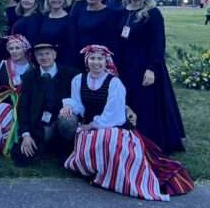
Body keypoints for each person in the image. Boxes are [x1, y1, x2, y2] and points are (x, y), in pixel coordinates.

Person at [62, 45, 193, 201]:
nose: (96, 62)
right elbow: (78, 103)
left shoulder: (114, 83)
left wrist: (91, 126)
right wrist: (69, 107)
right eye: (92, 58)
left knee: (108, 139)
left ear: (106, 61)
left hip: (114, 126)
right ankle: (97, 170)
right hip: (88, 126)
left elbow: (114, 114)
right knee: (91, 138)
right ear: (86, 61)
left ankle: (115, 178)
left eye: (100, 59)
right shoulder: (78, 80)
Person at [116, 0, 185, 154]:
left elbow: (158, 43)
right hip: (126, 65)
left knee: (146, 104)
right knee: (128, 101)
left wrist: (152, 69)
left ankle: (148, 141)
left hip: (145, 65)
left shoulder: (153, 13)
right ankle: (129, 139)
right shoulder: (122, 11)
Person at [10, 43, 78, 166]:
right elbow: (23, 107)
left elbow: (78, 98)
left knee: (68, 121)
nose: (44, 57)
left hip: (61, 119)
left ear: (54, 55)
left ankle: (67, 149)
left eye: (47, 53)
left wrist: (69, 106)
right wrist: (26, 134)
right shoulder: (29, 76)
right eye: (40, 55)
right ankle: (51, 146)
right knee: (25, 155)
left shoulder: (71, 74)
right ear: (35, 58)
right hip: (40, 124)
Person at [0, 35, 33, 155]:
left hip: (24, 101)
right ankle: (4, 143)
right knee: (3, 109)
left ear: (25, 49)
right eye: (11, 48)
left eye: (17, 48)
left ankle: (21, 142)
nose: (14, 51)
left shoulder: (32, 68)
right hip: (4, 100)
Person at [69, 0, 120, 68]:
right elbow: (73, 34)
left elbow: (112, 41)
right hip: (79, 57)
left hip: (99, 60)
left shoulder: (110, 14)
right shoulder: (78, 9)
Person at [38, 0, 70, 65]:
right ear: (48, 0)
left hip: (63, 60)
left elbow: (71, 44)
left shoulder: (70, 19)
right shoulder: (44, 16)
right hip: (45, 59)